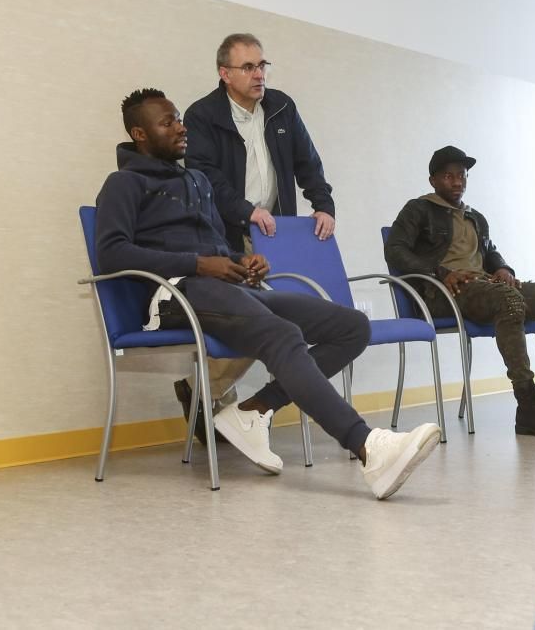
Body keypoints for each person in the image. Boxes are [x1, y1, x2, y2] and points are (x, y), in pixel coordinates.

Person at [95, 88, 440, 500]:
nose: (180, 126)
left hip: (226, 287)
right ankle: (369, 448)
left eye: (177, 118)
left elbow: (213, 244)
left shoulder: (197, 180)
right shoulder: (123, 183)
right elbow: (111, 252)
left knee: (350, 327)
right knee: (282, 334)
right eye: (167, 122)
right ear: (140, 134)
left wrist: (242, 263)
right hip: (176, 296)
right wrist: (200, 264)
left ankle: (253, 410)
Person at [175, 33, 339, 438]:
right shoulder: (202, 115)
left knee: (282, 317)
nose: (258, 74)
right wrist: (246, 211)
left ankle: (209, 393)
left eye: (262, 65)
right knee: (257, 320)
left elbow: (308, 161)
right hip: (227, 233)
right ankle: (217, 398)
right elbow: (204, 177)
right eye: (248, 67)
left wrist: (322, 203)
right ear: (224, 73)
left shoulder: (281, 106)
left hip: (276, 232)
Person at [385, 146, 535, 438]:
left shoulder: (475, 217)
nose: (457, 182)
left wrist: (504, 269)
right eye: (448, 176)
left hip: (485, 287)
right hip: (443, 293)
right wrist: (441, 272)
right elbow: (395, 250)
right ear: (433, 180)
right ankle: (527, 404)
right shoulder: (418, 209)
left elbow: (490, 253)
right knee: (509, 301)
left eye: (462, 176)